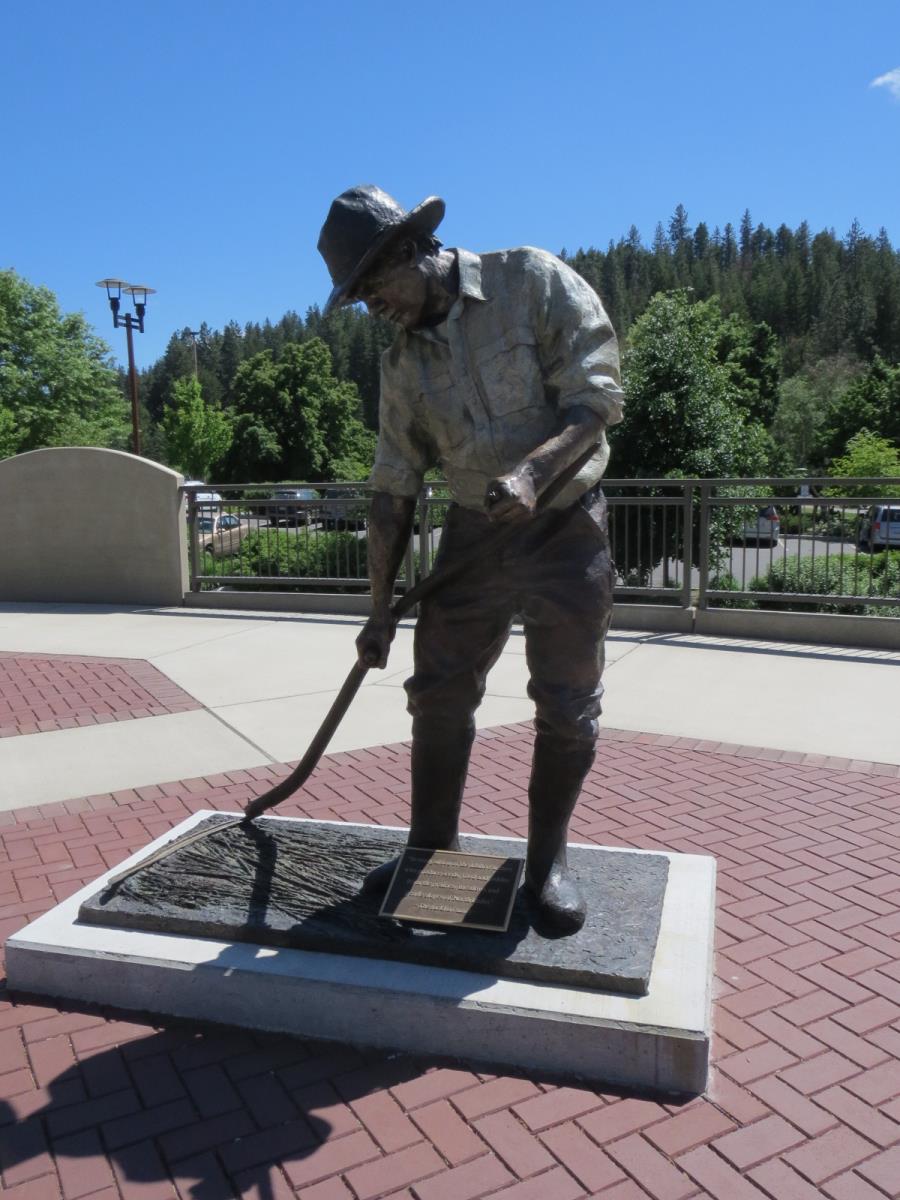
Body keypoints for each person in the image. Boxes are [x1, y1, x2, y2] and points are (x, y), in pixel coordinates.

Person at [317, 185, 624, 932]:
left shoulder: (530, 280)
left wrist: (533, 474)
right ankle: (430, 849)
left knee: (567, 702)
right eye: (356, 298)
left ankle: (546, 863)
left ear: (411, 251)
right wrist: (379, 609)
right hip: (471, 540)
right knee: (439, 691)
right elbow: (393, 487)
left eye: (372, 287)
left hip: (565, 528)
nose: (371, 307)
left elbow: (596, 399)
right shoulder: (400, 365)